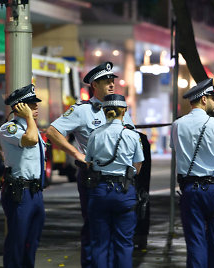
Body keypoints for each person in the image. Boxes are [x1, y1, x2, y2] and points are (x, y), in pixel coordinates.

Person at [46, 61, 134, 268]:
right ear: (94, 84)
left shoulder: (121, 108)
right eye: (106, 81)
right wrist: (76, 153)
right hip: (92, 177)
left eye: (112, 80)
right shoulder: (82, 110)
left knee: (119, 233)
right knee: (95, 230)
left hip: (121, 179)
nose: (111, 84)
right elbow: (52, 132)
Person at [171, 78, 214, 267]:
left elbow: (176, 150)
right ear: (204, 99)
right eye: (212, 98)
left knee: (195, 240)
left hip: (190, 189)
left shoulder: (178, 125)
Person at [83, 94, 144, 267]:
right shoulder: (132, 135)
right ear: (124, 111)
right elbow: (137, 166)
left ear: (104, 111)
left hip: (100, 191)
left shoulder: (95, 134)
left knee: (99, 243)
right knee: (124, 243)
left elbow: (89, 162)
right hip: (124, 191)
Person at [0, 84, 46, 268]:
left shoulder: (31, 128)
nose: (36, 107)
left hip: (35, 192)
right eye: (31, 104)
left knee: (32, 242)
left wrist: (29, 120)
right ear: (20, 107)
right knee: (17, 242)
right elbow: (31, 140)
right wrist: (27, 118)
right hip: (20, 192)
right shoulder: (9, 129)